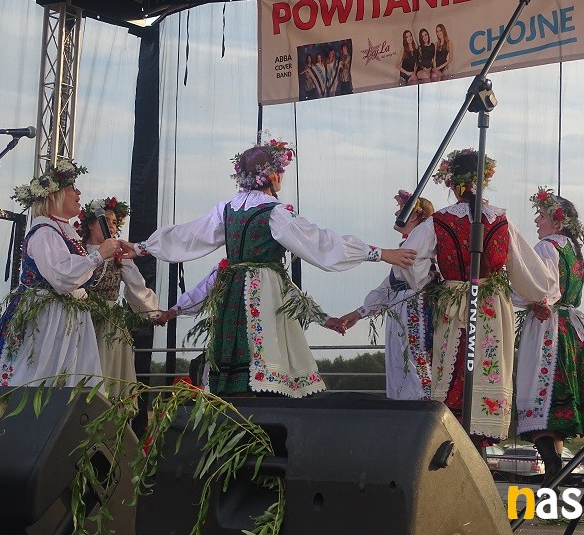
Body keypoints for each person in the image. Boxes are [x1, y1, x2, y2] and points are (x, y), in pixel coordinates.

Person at [119, 136, 416, 399]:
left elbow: (191, 238)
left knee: (236, 374)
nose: (282, 178)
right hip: (263, 300)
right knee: (266, 367)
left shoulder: (227, 212)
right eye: (280, 172)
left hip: (233, 298)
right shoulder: (275, 213)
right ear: (271, 175)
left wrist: (143, 248)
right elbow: (321, 244)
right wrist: (379, 253)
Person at [393, 149, 555, 443]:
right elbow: (531, 274)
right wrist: (535, 296)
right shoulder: (502, 222)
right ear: (484, 181)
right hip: (491, 306)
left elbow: (407, 262)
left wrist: (430, 279)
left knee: (453, 368)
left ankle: (450, 441)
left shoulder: (439, 221)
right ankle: (479, 444)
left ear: (453, 184)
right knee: (485, 367)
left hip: (453, 302)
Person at [0, 160, 121, 387]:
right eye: (72, 188)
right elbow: (61, 276)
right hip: (45, 318)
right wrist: (98, 256)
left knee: (67, 381)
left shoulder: (64, 232)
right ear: (54, 196)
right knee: (32, 377)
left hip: (66, 318)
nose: (78, 193)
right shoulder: (44, 233)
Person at [515, 187, 584, 485]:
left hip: (548, 327)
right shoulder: (574, 252)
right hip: (571, 330)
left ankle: (553, 465)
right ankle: (556, 475)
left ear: (558, 220)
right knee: (556, 403)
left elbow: (541, 289)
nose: (536, 221)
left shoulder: (546, 247)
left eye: (541, 215)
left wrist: (514, 296)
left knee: (537, 397)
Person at [339, 190, 435, 400]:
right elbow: (389, 286)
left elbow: (408, 278)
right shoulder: (409, 244)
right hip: (400, 306)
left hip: (414, 304)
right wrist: (359, 313)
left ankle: (423, 405)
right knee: (398, 363)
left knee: (416, 360)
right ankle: (405, 406)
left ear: (415, 215)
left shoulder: (425, 232)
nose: (396, 214)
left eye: (401, 209)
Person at [79, 197, 163, 399]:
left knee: (106, 371)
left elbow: (137, 287)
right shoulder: (78, 252)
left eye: (114, 222)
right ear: (90, 224)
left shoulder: (119, 257)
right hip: (81, 318)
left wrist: (154, 313)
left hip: (108, 323)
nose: (111, 226)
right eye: (105, 220)